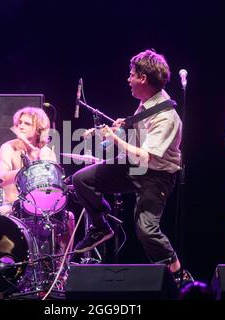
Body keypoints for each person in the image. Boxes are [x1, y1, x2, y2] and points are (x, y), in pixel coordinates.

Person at [72, 49, 194, 288]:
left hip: (156, 175)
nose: (128, 79)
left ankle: (178, 274)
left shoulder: (167, 116)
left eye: (131, 75)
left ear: (143, 78)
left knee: (146, 230)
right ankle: (100, 227)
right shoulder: (147, 105)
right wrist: (105, 133)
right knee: (82, 180)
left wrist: (115, 139)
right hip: (134, 166)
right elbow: (135, 140)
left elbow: (147, 157)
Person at [0, 107, 75, 252]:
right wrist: (28, 168)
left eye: (27, 123)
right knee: (1, 213)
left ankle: (62, 267)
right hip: (13, 207)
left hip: (42, 207)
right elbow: (1, 179)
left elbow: (53, 186)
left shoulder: (46, 152)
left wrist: (38, 158)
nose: (20, 126)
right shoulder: (8, 148)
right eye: (19, 122)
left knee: (68, 217)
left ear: (38, 128)